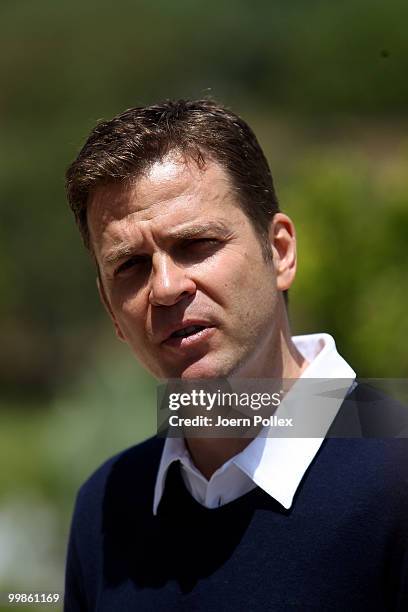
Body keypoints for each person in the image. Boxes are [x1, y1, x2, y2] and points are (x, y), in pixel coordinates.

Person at [64, 99, 408, 611]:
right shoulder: (108, 507)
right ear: (110, 310)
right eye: (131, 265)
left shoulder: (396, 476)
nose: (164, 287)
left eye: (196, 243)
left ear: (282, 252)